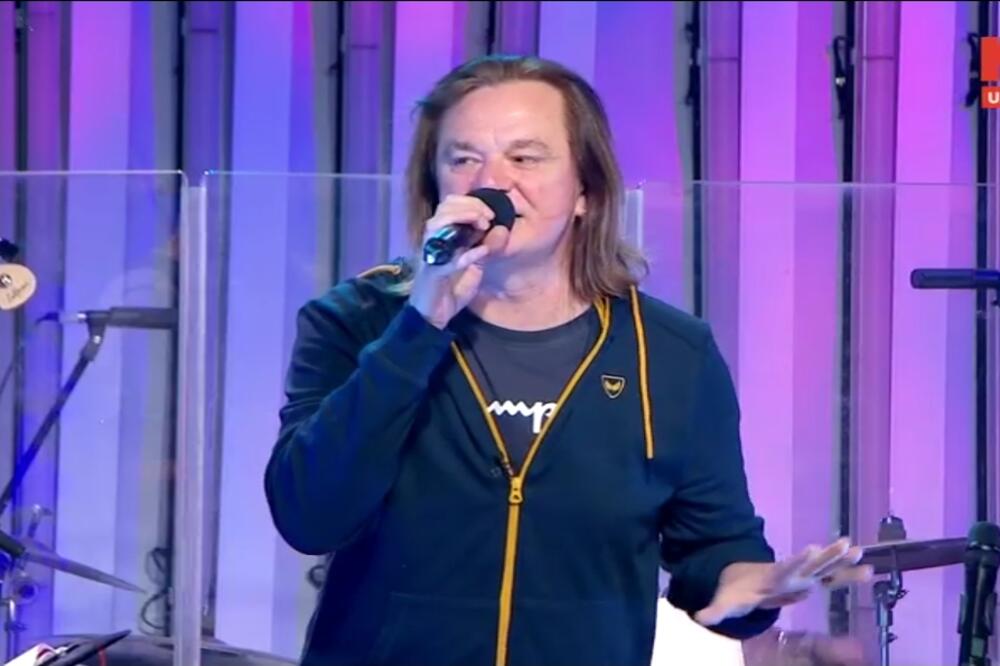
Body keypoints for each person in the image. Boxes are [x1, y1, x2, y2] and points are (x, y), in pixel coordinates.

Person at [264, 54, 873, 666]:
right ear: (434, 186)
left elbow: (713, 550)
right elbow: (309, 516)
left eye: (525, 158)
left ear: (586, 190)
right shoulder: (357, 323)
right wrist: (420, 324)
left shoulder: (670, 353)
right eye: (463, 158)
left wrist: (749, 584)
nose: (491, 183)